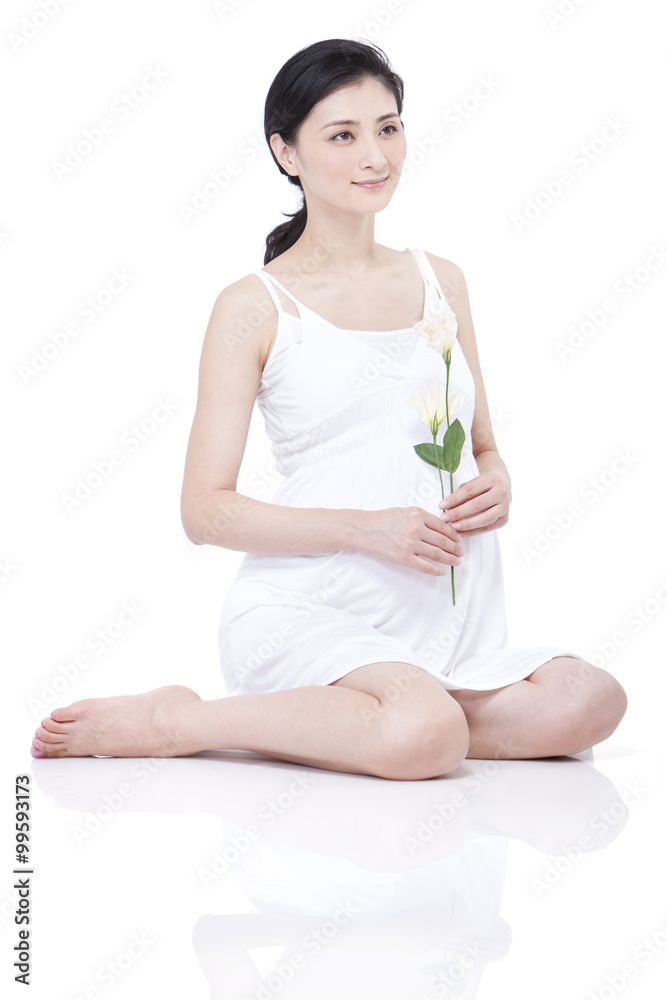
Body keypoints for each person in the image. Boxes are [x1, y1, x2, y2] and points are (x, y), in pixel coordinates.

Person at [30, 38, 627, 778]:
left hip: (443, 612)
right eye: (341, 135)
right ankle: (179, 720)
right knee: (424, 737)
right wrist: (362, 529)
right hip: (310, 607)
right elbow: (203, 511)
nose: (374, 155)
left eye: (387, 126)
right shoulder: (255, 305)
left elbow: (481, 442)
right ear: (286, 153)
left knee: (586, 701)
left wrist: (497, 479)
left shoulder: (442, 281)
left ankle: (392, 716)